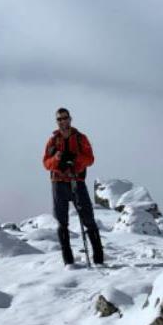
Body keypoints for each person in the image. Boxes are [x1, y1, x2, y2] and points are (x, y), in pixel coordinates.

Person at [42, 108, 104, 266]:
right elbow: (46, 163)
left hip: (77, 181)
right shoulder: (52, 141)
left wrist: (75, 160)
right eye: (59, 119)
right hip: (58, 183)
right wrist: (57, 160)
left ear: (70, 119)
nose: (62, 121)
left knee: (88, 219)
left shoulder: (81, 138)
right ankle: (68, 262)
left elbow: (90, 159)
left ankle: (99, 259)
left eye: (65, 118)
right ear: (57, 121)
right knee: (62, 222)